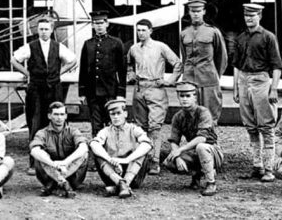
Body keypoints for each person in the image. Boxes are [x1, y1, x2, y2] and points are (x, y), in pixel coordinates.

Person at [11, 18, 77, 175]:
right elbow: (14, 60)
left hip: (54, 89)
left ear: (51, 30)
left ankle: (58, 159)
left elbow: (73, 60)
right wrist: (27, 73)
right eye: (41, 29)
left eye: (46, 29)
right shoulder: (30, 46)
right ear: (37, 30)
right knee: (35, 123)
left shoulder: (58, 46)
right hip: (36, 90)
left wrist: (58, 73)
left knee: (58, 121)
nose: (44, 32)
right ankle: (34, 163)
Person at [232, 3, 282, 182]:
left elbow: (277, 66)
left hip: (261, 79)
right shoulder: (240, 38)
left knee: (266, 126)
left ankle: (269, 169)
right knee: (250, 126)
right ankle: (257, 166)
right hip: (244, 80)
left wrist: (274, 88)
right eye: (246, 16)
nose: (249, 19)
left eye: (253, 16)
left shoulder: (268, 37)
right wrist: (236, 88)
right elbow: (237, 65)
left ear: (260, 16)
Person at [127, 18, 182, 175]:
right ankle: (142, 159)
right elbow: (129, 64)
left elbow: (177, 63)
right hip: (139, 89)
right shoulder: (133, 48)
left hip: (156, 88)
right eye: (138, 30)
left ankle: (154, 161)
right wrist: (131, 75)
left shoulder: (160, 47)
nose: (141, 33)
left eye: (144, 30)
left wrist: (170, 81)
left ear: (151, 31)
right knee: (140, 126)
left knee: (155, 127)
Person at [163, 81, 224, 196]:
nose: (185, 99)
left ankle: (211, 183)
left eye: (188, 96)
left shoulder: (203, 112)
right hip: (194, 152)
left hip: (213, 151)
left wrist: (180, 150)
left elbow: (202, 138)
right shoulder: (178, 117)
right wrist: (176, 157)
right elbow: (174, 140)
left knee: (201, 147)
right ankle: (196, 177)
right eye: (182, 96)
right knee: (169, 161)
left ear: (195, 97)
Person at [89, 98, 152, 198]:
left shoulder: (133, 128)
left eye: (119, 113)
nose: (116, 117)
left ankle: (124, 183)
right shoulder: (105, 131)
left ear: (125, 114)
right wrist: (110, 159)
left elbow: (147, 144)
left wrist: (126, 160)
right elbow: (94, 144)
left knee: (142, 151)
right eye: (112, 114)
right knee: (98, 154)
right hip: (112, 173)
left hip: (133, 174)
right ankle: (120, 183)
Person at [79, 10, 127, 137]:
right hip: (92, 91)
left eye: (101, 23)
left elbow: (122, 70)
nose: (99, 26)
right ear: (92, 25)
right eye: (96, 23)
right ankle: (97, 150)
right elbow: (83, 69)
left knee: (112, 120)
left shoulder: (116, 43)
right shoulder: (88, 44)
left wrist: (121, 92)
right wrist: (82, 92)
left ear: (107, 24)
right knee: (96, 123)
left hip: (110, 90)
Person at [179, 0, 228, 124]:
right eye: (193, 11)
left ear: (204, 12)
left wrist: (215, 75)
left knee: (210, 116)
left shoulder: (213, 32)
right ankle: (194, 142)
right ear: (189, 12)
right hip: (189, 79)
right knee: (190, 115)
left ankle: (210, 142)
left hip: (208, 80)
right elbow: (185, 58)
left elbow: (221, 57)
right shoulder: (184, 33)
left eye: (199, 11)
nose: (196, 14)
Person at [30, 101, 89, 198]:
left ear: (66, 116)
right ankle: (63, 183)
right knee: (39, 154)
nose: (59, 118)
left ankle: (57, 182)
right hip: (48, 176)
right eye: (56, 114)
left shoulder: (73, 131)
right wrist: (54, 164)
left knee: (84, 153)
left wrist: (65, 162)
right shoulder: (42, 133)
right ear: (49, 116)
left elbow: (83, 147)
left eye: (62, 114)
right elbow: (34, 150)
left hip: (72, 177)